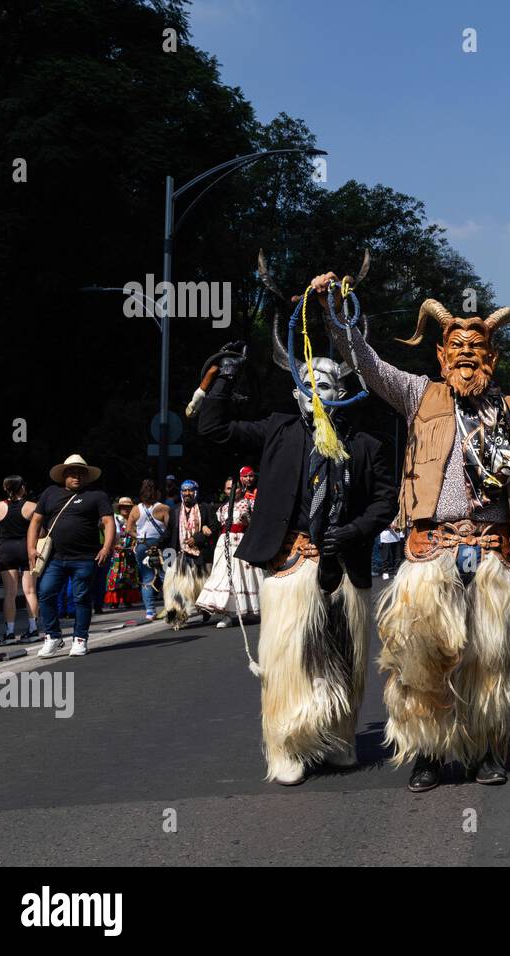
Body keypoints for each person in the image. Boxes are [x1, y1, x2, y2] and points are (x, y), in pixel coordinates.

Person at [321, 275, 510, 793]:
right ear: (440, 352)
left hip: (493, 553)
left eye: (477, 348)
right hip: (432, 552)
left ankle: (486, 749)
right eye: (457, 347)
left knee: (489, 662)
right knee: (422, 660)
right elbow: (368, 365)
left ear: (493, 357)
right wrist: (337, 312)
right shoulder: (418, 395)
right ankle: (429, 752)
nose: (467, 355)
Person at [196, 264, 394, 786]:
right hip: (289, 565)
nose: (318, 390)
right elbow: (213, 430)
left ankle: (338, 738)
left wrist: (351, 533)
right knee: (286, 663)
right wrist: (224, 379)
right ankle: (287, 745)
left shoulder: (367, 445)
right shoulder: (278, 431)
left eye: (328, 382)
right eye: (309, 382)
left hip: (345, 567)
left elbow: (385, 503)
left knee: (344, 660)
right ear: (297, 390)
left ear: (343, 388)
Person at [29, 454, 114, 658]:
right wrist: (31, 548)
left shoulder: (97, 495)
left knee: (81, 597)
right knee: (45, 593)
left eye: (81, 474)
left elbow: (109, 522)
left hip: (85, 557)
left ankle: (80, 639)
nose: (77, 477)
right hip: (55, 557)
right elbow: (35, 521)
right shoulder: (50, 493)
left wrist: (106, 547)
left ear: (86, 476)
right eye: (72, 473)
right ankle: (53, 636)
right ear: (64, 476)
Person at [195, 476, 263, 627]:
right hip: (224, 543)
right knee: (224, 576)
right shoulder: (222, 508)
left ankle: (249, 610)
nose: (232, 491)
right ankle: (227, 614)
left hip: (242, 542)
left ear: (242, 488)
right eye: (228, 488)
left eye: (235, 487)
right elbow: (215, 526)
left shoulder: (248, 504)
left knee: (244, 576)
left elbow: (255, 524)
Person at [0, 476, 39, 642]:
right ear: (22, 488)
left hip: (5, 551)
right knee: (30, 591)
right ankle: (33, 629)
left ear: (5, 488)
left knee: (9, 593)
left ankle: (9, 633)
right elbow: (42, 532)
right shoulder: (32, 507)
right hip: (26, 549)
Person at [160, 479, 216, 629]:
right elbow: (169, 533)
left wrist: (198, 538)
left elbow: (214, 529)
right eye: (184, 490)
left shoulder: (205, 509)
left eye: (190, 490)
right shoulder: (175, 511)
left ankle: (205, 609)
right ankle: (177, 617)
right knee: (176, 589)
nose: (187, 493)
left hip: (200, 558)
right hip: (180, 557)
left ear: (196, 492)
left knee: (201, 589)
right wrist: (155, 545)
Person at [126, 480, 169, 622]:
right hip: (160, 544)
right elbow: (169, 529)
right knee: (166, 576)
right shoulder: (163, 508)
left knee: (146, 578)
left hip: (142, 545)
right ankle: (170, 606)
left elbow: (128, 529)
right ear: (156, 492)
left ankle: (150, 611)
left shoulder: (135, 509)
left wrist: (138, 537)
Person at [102, 497, 141, 610]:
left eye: (128, 507)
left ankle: (128, 600)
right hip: (117, 553)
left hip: (130, 552)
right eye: (123, 507)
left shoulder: (135, 521)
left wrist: (133, 546)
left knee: (129, 575)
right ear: (119, 508)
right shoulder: (115, 519)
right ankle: (115, 601)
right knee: (114, 577)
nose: (125, 509)